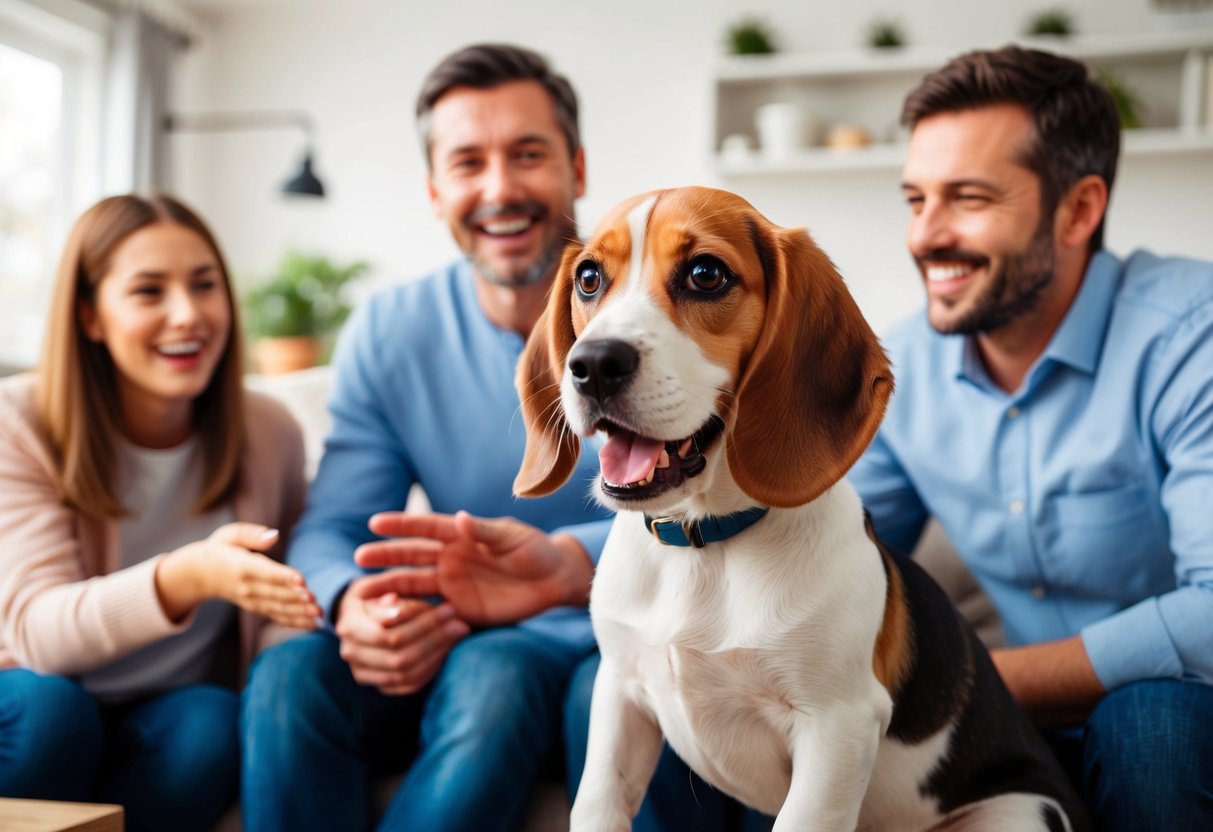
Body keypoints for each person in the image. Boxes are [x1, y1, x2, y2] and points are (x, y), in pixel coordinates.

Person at [241, 43, 738, 832]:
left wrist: (567, 563)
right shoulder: (390, 330)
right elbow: (334, 523)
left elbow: (732, 501)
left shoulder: (670, 318)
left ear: (576, 168)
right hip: (460, 631)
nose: (500, 188)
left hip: (611, 631)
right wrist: (354, 601)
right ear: (436, 191)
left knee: (501, 673)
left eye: (527, 155)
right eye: (468, 163)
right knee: (288, 672)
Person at [847, 45, 1213, 830]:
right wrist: (572, 564)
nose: (925, 235)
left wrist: (984, 680)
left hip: (1183, 728)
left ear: (1078, 210)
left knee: (1148, 718)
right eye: (915, 200)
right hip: (1020, 741)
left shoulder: (1192, 333)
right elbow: (808, 525)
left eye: (967, 199)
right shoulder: (900, 366)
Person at [0, 194, 319, 832]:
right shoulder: (20, 421)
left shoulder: (269, 430)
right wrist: (190, 575)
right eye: (149, 292)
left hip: (169, 707)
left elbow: (293, 592)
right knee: (51, 712)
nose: (188, 315)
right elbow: (35, 631)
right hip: (38, 690)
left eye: (205, 286)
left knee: (211, 726)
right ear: (91, 316)